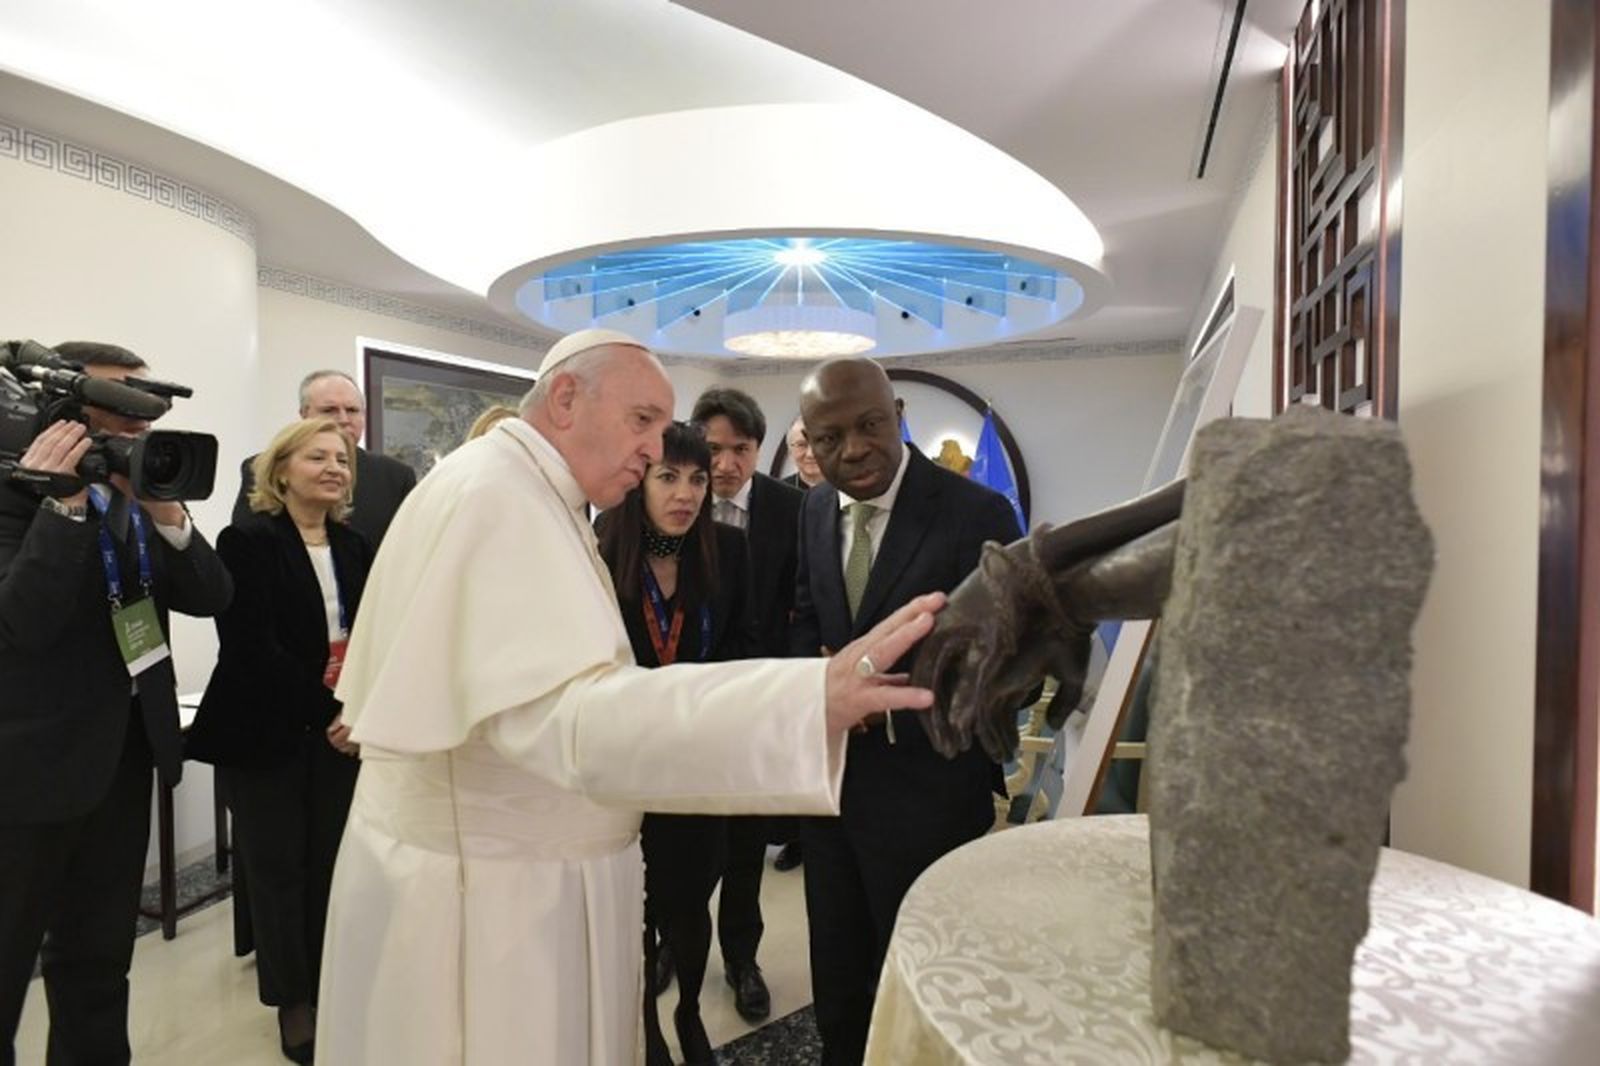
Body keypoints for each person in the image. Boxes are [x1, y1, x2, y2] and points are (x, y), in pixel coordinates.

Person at [314, 328, 944, 1065]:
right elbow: (578, 724)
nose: (657, 450)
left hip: (499, 874)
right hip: (490, 905)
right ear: (566, 397)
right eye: (642, 420)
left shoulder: (515, 489)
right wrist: (810, 699)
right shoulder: (500, 499)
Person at [0, 341, 233, 1065]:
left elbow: (213, 595)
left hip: (124, 758)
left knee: (99, 964)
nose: (137, 423)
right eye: (119, 404)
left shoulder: (144, 490)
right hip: (27, 775)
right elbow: (22, 624)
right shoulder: (16, 490)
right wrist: (62, 503)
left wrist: (166, 509)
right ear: (65, 408)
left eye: (144, 404)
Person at [792, 356, 1022, 1066]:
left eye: (867, 426)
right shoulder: (811, 507)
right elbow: (806, 613)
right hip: (829, 795)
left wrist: (877, 701)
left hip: (932, 796)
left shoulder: (977, 514)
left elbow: (1005, 663)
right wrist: (817, 681)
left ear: (897, 414)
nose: (852, 450)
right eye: (829, 438)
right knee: (837, 975)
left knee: (925, 978)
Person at [187, 418, 373, 1064]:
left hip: (339, 736)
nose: (333, 468)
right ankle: (293, 1003)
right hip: (265, 735)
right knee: (276, 873)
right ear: (282, 469)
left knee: (330, 867)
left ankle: (328, 986)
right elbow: (250, 648)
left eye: (342, 460)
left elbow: (376, 636)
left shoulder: (356, 546)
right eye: (317, 456)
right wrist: (329, 708)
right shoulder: (247, 541)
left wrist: (360, 710)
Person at [595, 421, 754, 1066]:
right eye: (668, 476)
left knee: (690, 905)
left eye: (696, 478)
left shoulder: (729, 551)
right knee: (632, 912)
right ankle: (644, 1026)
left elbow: (744, 644)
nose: (686, 493)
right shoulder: (599, 551)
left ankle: (688, 1011)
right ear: (641, 482)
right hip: (623, 770)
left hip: (696, 767)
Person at [688, 386, 804, 1022]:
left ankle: (741, 957)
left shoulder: (795, 510)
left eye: (741, 448)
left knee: (745, 844)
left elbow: (805, 604)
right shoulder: (673, 503)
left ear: (761, 448)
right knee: (679, 838)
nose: (726, 464)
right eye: (713, 449)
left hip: (762, 707)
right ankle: (672, 944)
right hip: (688, 709)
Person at [232, 370, 416, 550]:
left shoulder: (396, 476)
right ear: (304, 415)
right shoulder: (264, 466)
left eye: (352, 410)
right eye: (329, 410)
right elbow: (247, 543)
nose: (343, 419)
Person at [781, 414, 825, 491]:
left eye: (818, 444)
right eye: (801, 445)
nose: (810, 454)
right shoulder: (777, 492)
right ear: (790, 451)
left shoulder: (847, 489)